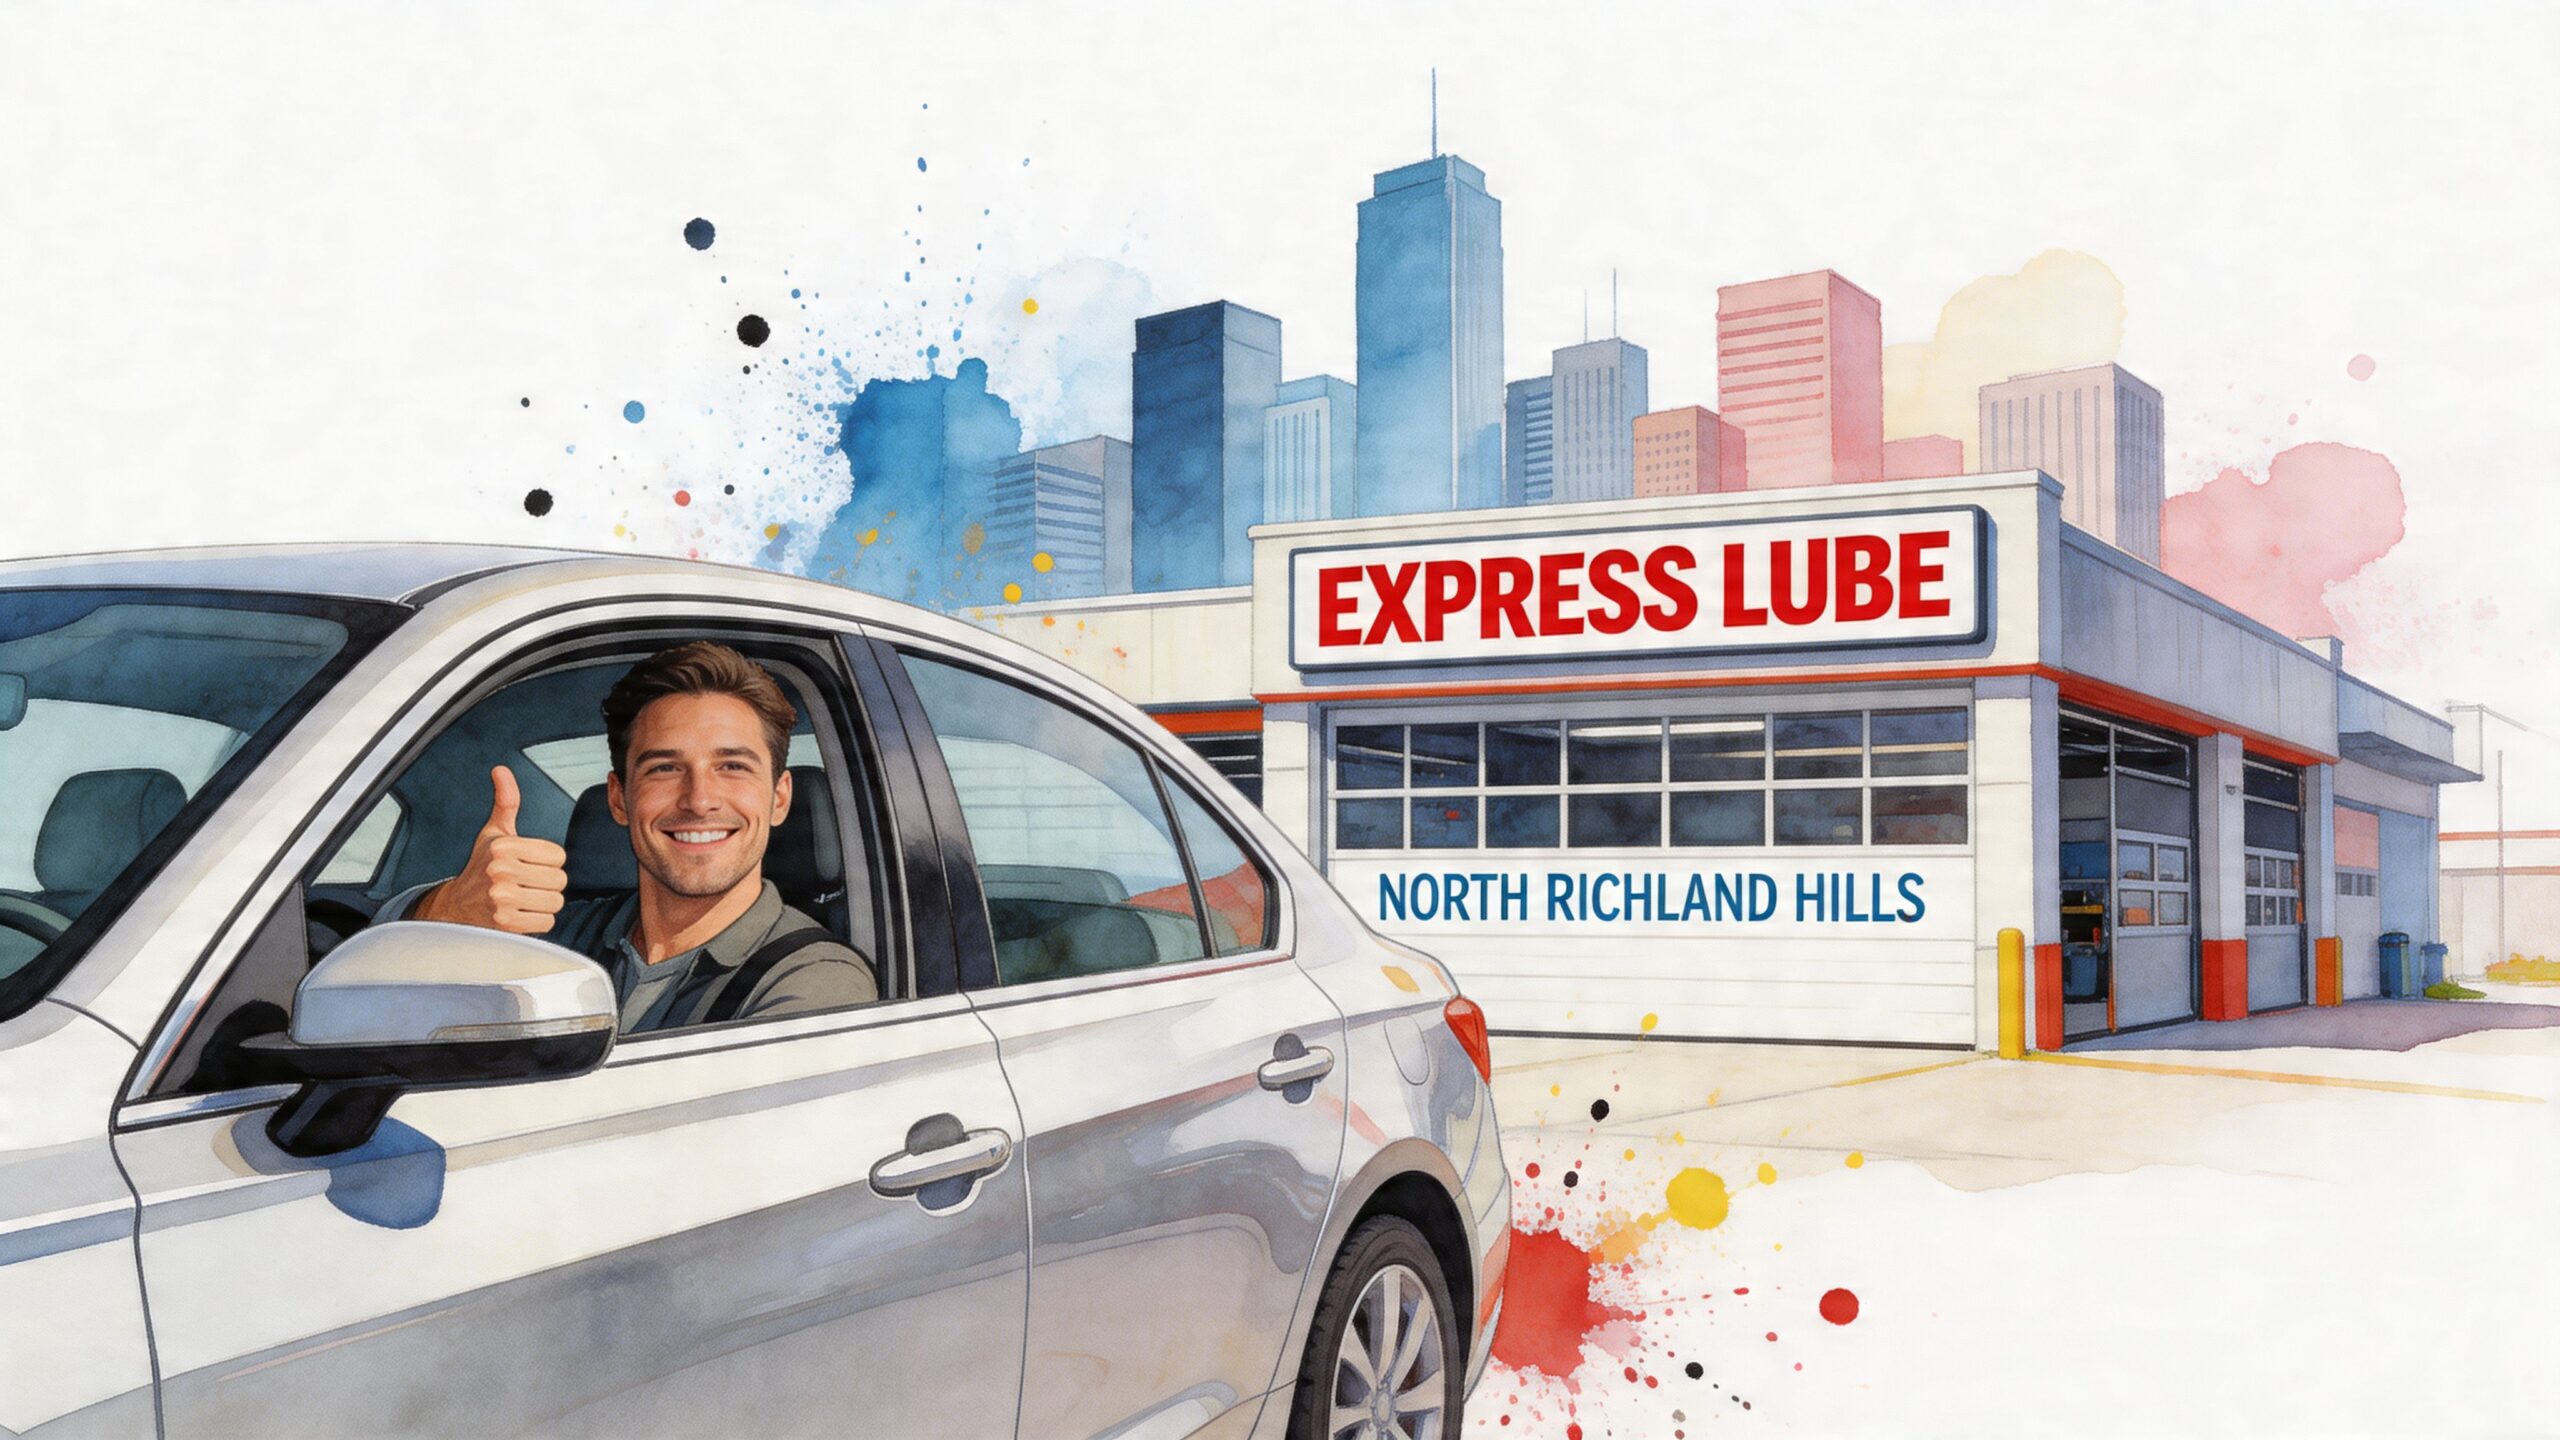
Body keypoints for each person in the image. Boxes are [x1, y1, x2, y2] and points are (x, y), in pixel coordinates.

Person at [399, 641, 876, 1032]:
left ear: (779, 798)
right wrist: (450, 913)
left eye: (732, 766)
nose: (699, 799)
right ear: (619, 800)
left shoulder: (816, 981)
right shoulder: (554, 931)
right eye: (665, 768)